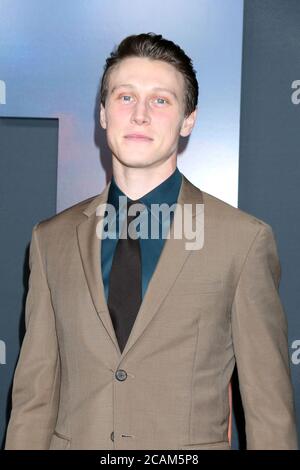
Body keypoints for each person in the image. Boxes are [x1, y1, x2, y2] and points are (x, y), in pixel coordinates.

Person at [5, 33, 298, 450]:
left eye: (160, 100)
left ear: (188, 119)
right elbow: (33, 400)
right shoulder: (50, 241)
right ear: (103, 113)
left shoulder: (243, 241)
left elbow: (269, 413)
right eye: (125, 97)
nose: (139, 114)